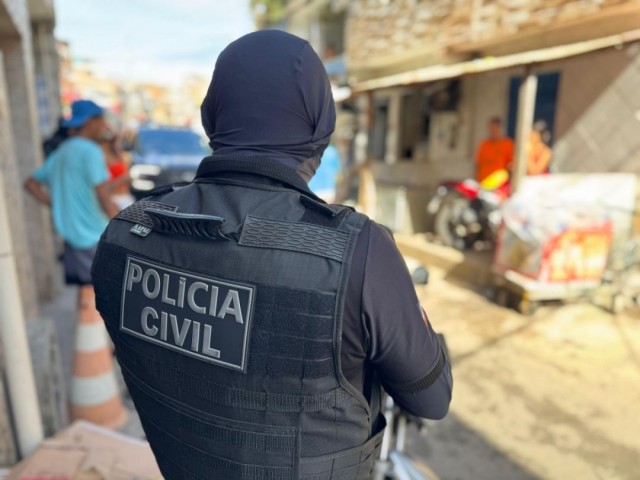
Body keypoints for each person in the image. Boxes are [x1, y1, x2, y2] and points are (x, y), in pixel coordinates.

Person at [91, 31, 452, 480]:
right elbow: (432, 399)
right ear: (319, 122)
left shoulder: (124, 235)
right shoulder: (356, 251)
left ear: (213, 113)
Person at [25, 99, 118, 286]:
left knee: (86, 288)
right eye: (101, 119)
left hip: (72, 234)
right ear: (90, 121)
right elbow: (102, 195)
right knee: (95, 291)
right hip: (93, 232)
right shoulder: (90, 151)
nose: (104, 124)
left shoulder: (62, 150)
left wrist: (57, 204)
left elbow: (31, 184)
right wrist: (119, 225)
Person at [475, 117, 514, 183]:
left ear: (500, 128)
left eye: (495, 128)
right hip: (483, 182)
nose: (492, 130)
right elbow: (478, 164)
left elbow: (511, 164)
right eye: (491, 128)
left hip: (500, 183)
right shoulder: (484, 144)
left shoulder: (507, 144)